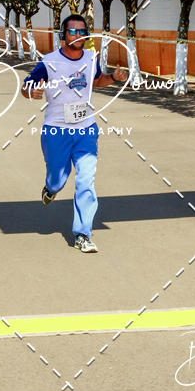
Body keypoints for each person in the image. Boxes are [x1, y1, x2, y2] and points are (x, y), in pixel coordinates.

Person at [22, 13, 128, 253]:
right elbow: (26, 86)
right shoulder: (49, 61)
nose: (78, 36)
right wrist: (32, 92)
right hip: (56, 130)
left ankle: (82, 234)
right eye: (73, 31)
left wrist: (113, 77)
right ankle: (51, 189)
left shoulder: (92, 58)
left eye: (83, 32)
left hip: (85, 129)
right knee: (58, 179)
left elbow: (97, 81)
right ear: (63, 35)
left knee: (86, 180)